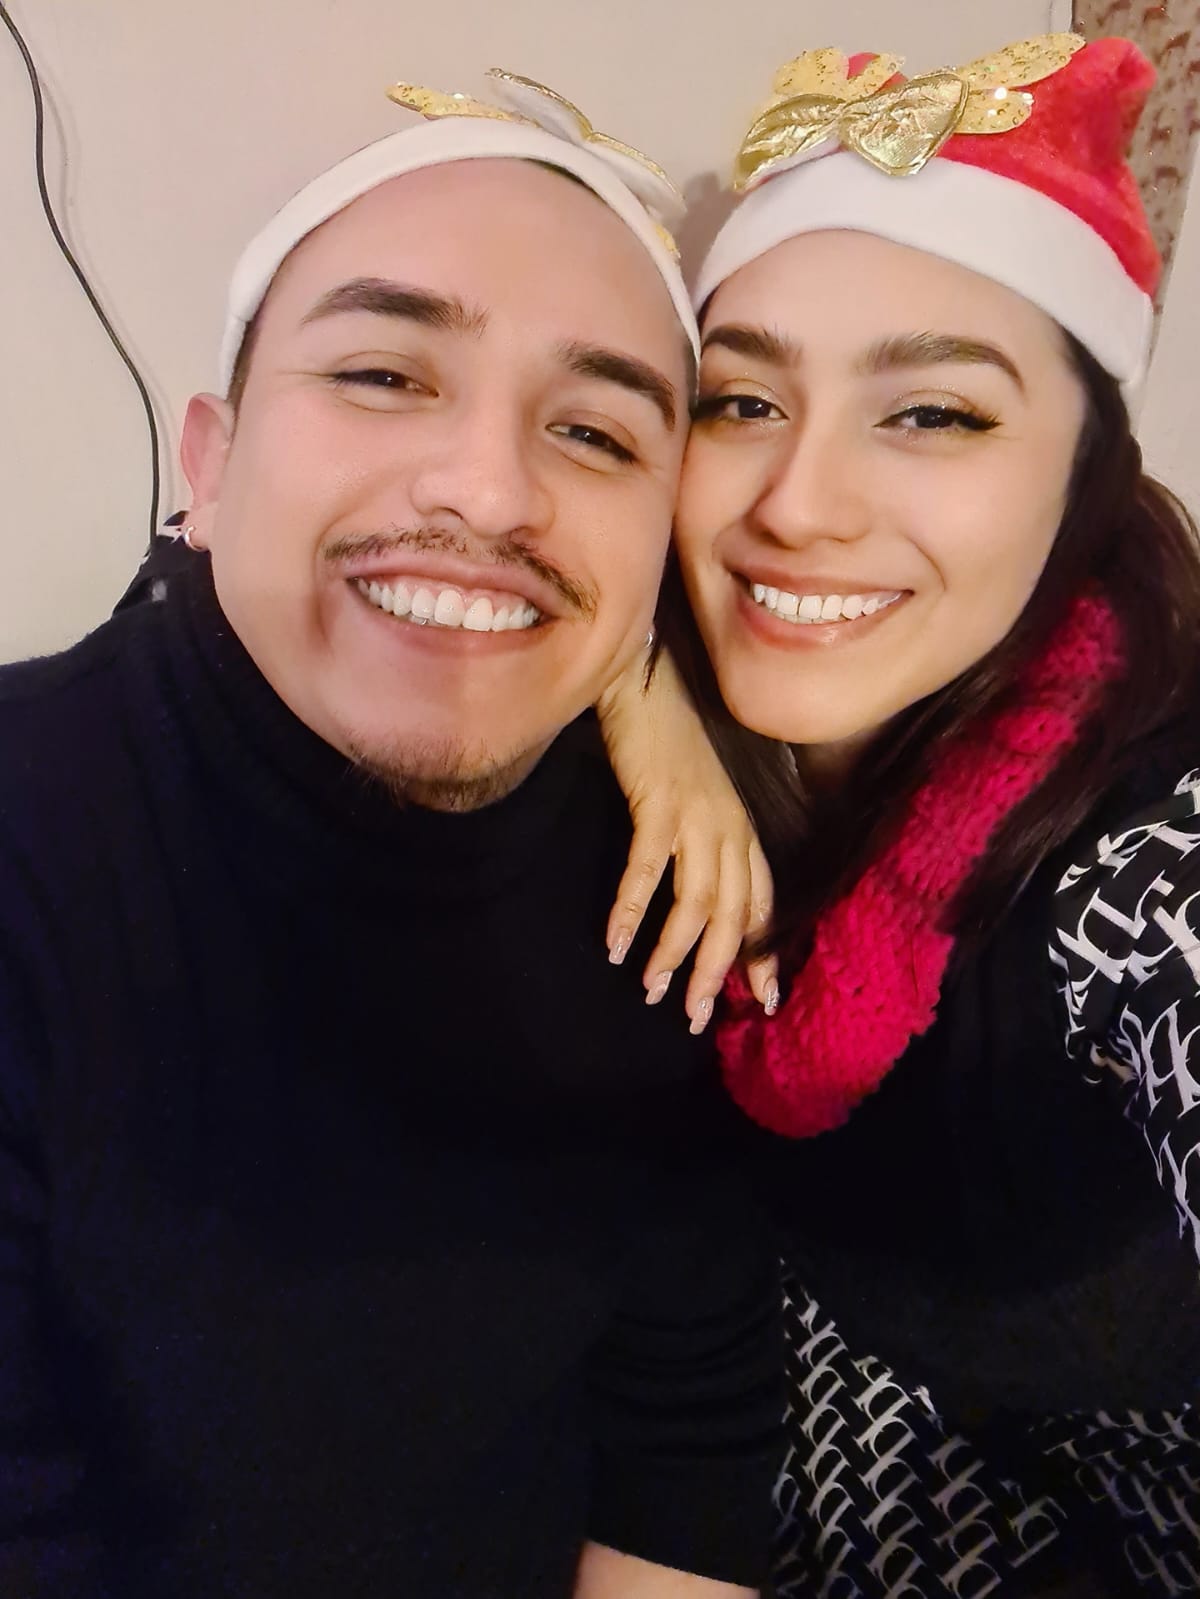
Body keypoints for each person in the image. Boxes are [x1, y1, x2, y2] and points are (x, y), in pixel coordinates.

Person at [0, 70, 782, 1598]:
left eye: (596, 433)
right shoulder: (35, 846)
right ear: (208, 463)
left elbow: (688, 1444)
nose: (489, 492)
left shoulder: (668, 891)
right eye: (381, 374)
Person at [603, 30, 1200, 1598]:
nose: (799, 505)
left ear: (1086, 475)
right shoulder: (622, 743)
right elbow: (235, 563)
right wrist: (626, 686)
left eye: (933, 414)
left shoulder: (1151, 860)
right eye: (740, 401)